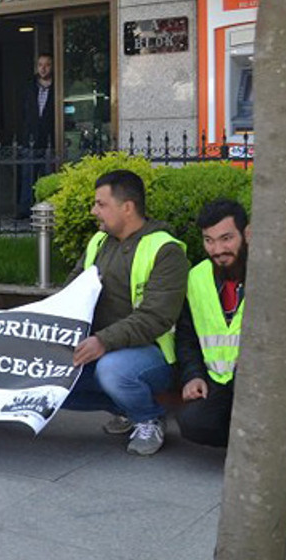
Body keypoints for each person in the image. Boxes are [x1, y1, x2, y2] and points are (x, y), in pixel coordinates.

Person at [60, 169, 188, 456]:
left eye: (101, 204)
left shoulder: (166, 251)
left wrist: (102, 341)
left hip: (154, 354)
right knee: (49, 379)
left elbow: (155, 318)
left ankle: (149, 417)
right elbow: (71, 290)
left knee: (113, 371)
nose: (94, 211)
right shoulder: (98, 242)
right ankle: (126, 409)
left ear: (127, 208)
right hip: (102, 345)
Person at [174, 199, 250, 448]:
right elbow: (187, 336)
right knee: (192, 423)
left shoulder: (270, 274)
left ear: (247, 234)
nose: (217, 249)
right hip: (217, 381)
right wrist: (193, 376)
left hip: (262, 382)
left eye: (226, 238)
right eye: (209, 240)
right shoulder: (197, 277)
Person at [17, 52, 55, 219]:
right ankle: (26, 209)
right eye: (40, 65)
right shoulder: (30, 86)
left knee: (48, 177)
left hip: (50, 139)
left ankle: (48, 209)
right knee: (28, 177)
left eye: (47, 65)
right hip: (30, 138)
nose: (43, 68)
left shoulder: (57, 87)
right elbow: (23, 112)